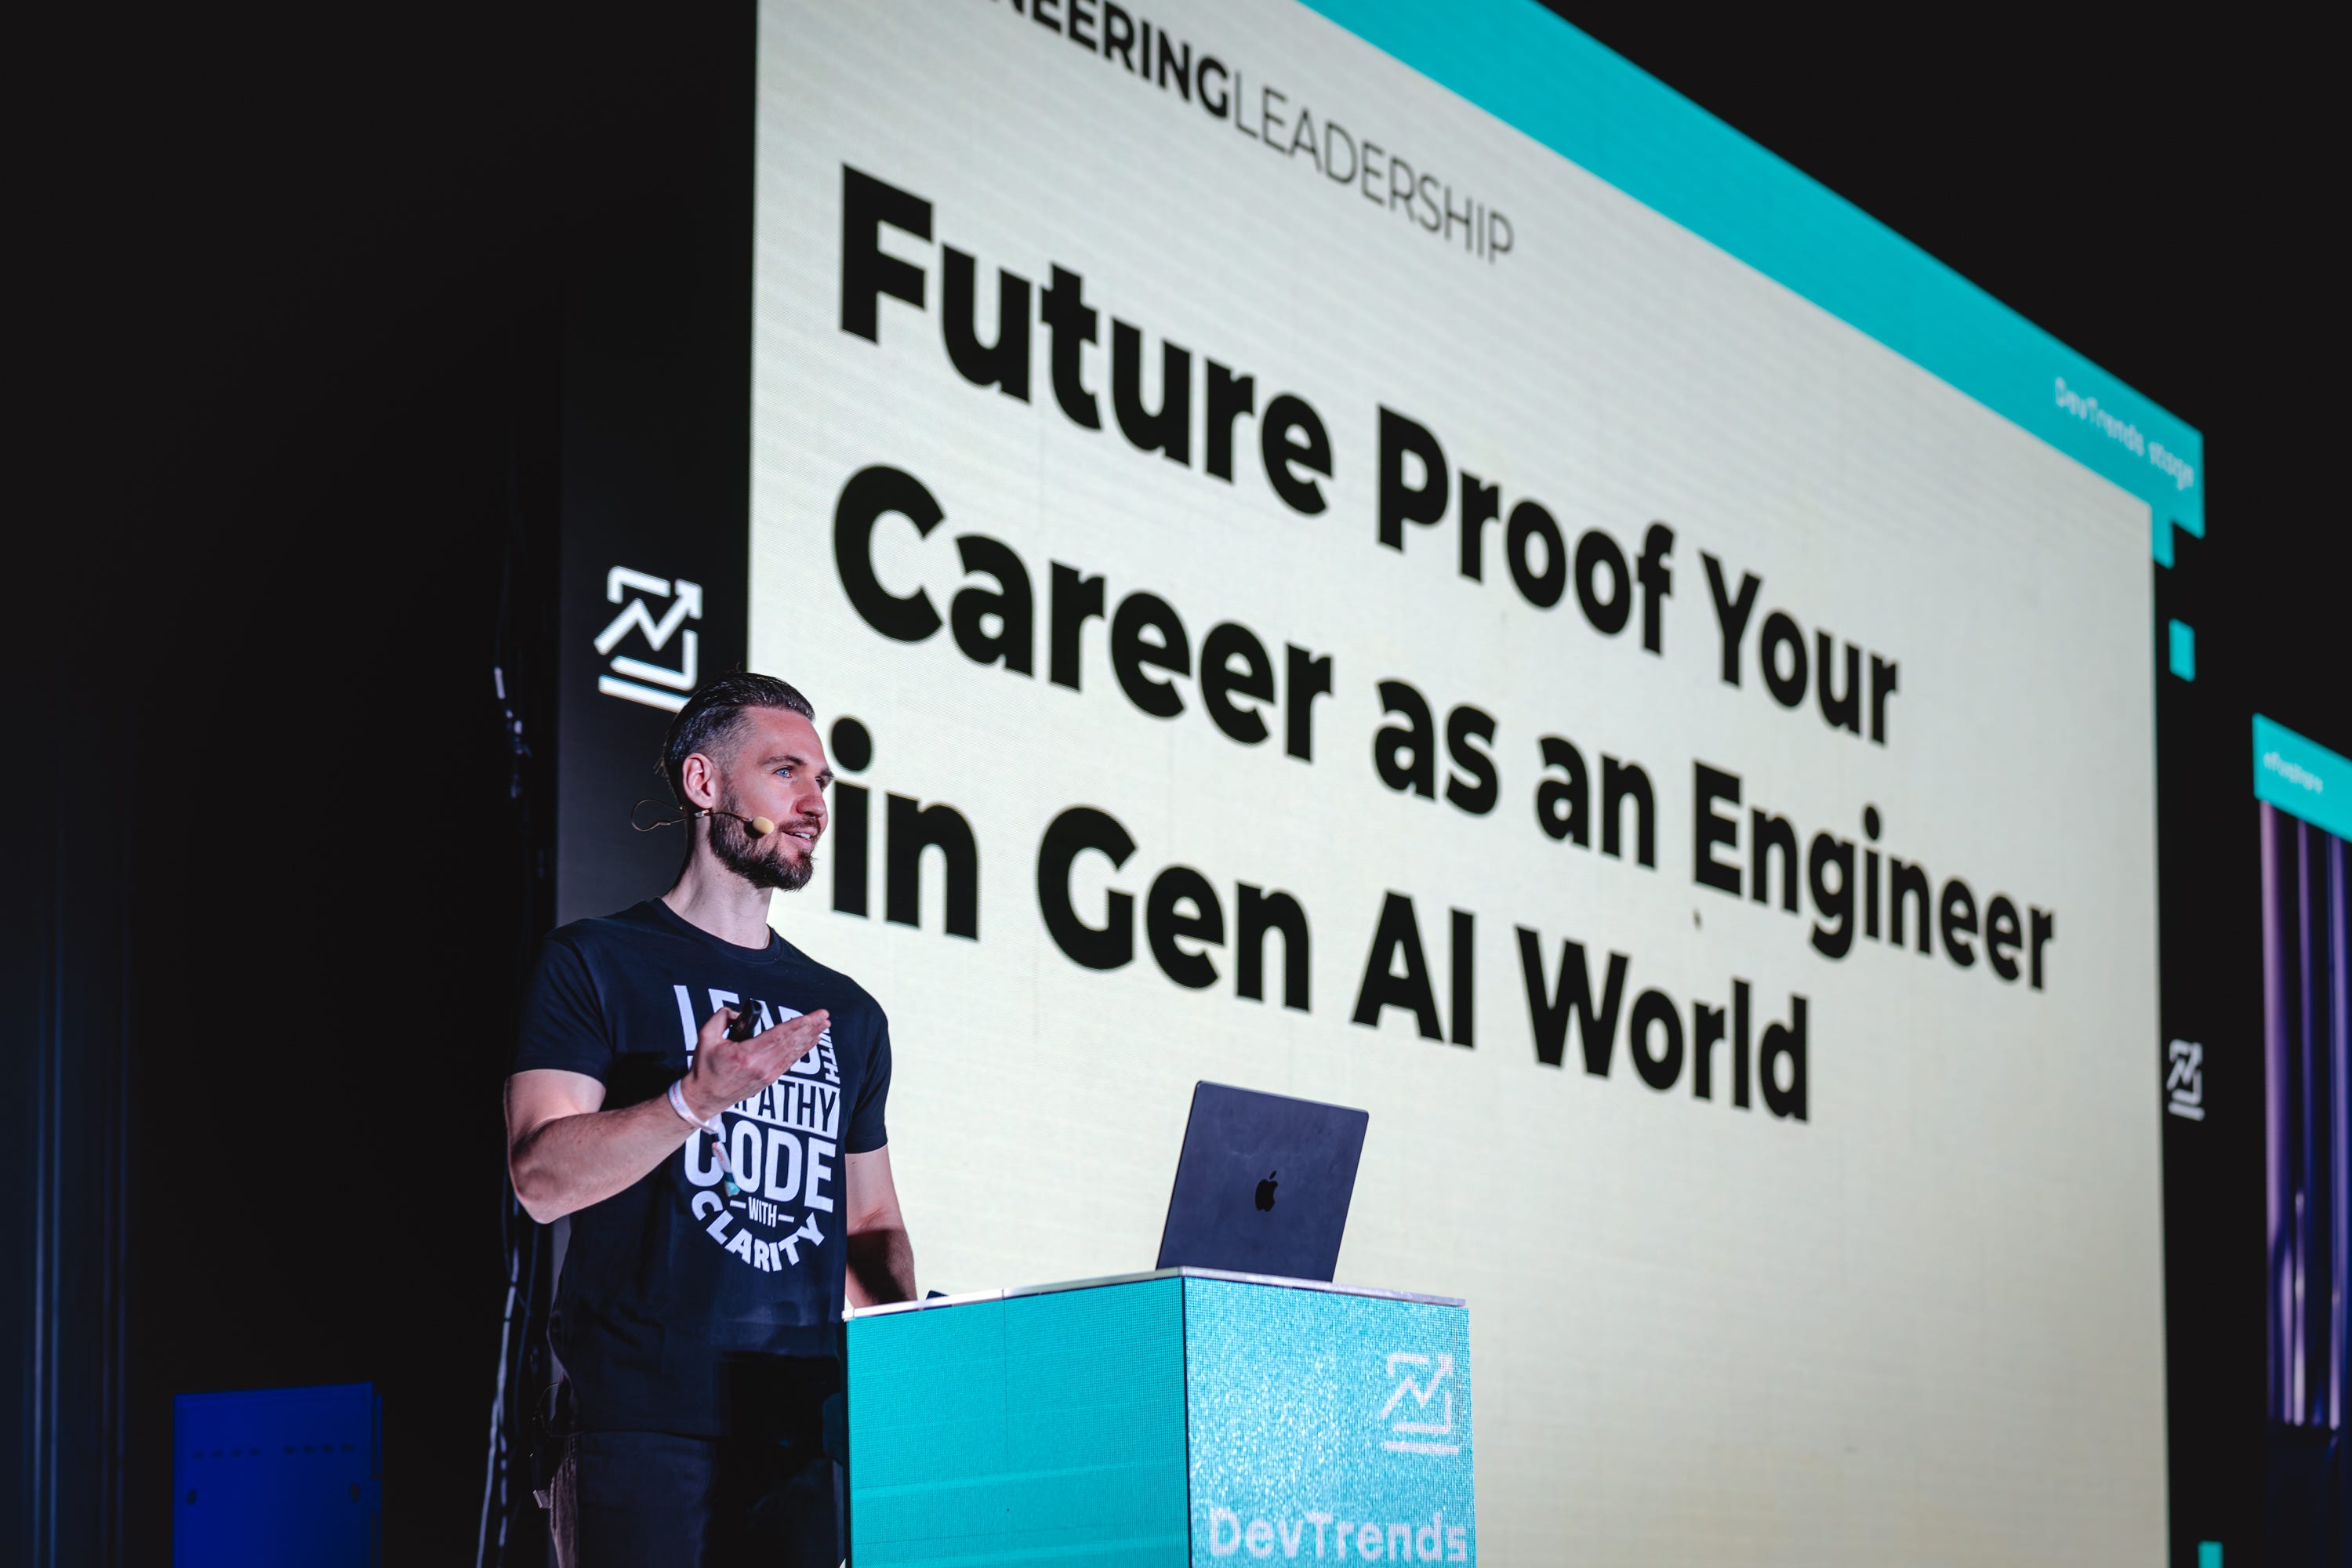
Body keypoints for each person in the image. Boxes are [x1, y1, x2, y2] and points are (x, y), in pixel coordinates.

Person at [505, 673, 915, 1566]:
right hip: (635, 1421)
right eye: (785, 772)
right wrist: (693, 1100)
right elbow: (539, 1179)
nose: (814, 804)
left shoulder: (848, 1012)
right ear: (705, 783)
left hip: (799, 1435)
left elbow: (871, 1221)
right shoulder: (596, 962)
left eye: (823, 781)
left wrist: (914, 1344)